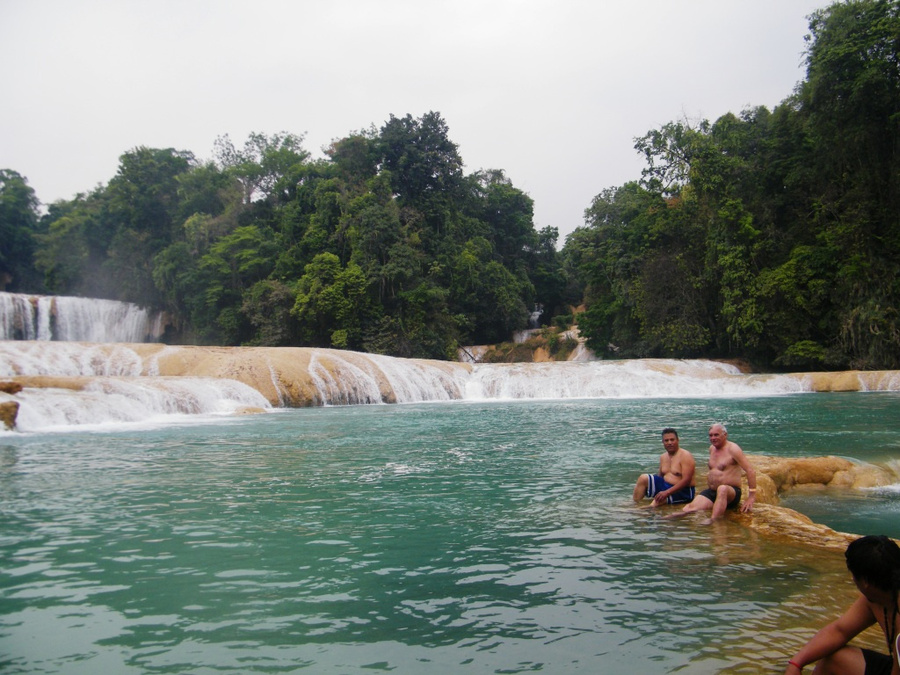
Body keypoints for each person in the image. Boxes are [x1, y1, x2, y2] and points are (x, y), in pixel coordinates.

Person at [784, 535, 900, 674]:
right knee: (833, 658)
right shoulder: (877, 598)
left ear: (865, 582)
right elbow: (839, 631)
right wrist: (796, 663)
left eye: (853, 575)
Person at [677, 423, 756, 520]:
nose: (713, 438)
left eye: (716, 435)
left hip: (730, 493)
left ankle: (713, 521)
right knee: (687, 509)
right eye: (711, 435)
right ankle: (666, 521)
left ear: (725, 435)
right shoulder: (712, 449)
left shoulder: (733, 449)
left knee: (722, 489)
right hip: (713, 492)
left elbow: (750, 470)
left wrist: (751, 497)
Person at [633, 428, 696, 506]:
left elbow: (686, 480)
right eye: (666, 440)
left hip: (683, 491)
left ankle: (640, 514)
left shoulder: (685, 456)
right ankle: (635, 504)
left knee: (656, 502)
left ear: (678, 440)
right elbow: (661, 476)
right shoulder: (663, 457)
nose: (669, 443)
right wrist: (655, 489)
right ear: (663, 442)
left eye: (672, 440)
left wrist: (666, 493)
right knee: (643, 478)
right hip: (665, 485)